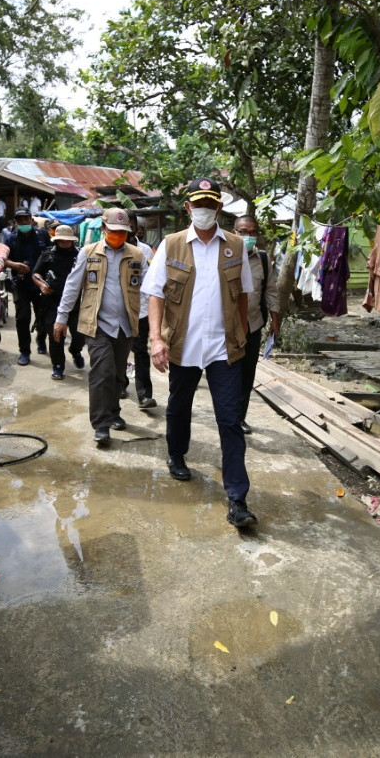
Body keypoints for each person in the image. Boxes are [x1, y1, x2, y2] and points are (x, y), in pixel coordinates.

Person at [142, 177, 257, 528]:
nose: (204, 210)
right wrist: (156, 340)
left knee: (230, 420)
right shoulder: (171, 244)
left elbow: (242, 296)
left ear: (219, 208)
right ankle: (176, 454)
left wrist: (240, 337)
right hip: (183, 345)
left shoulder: (235, 246)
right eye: (198, 204)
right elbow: (156, 294)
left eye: (211, 204)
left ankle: (237, 500)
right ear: (188, 208)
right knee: (179, 406)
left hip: (224, 349)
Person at [54, 208, 144, 447]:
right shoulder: (88, 252)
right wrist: (61, 318)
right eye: (114, 231)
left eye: (123, 232)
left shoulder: (137, 255)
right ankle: (101, 425)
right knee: (102, 372)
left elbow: (146, 289)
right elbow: (73, 286)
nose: (118, 236)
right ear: (104, 229)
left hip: (125, 325)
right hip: (97, 324)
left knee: (117, 374)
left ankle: (114, 412)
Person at [234, 214, 281, 434]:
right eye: (243, 231)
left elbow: (271, 290)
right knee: (226, 373)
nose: (248, 236)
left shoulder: (262, 259)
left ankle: (239, 418)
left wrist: (275, 320)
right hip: (227, 327)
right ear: (235, 233)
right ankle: (226, 416)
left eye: (252, 232)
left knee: (246, 374)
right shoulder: (224, 256)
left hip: (253, 324)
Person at [31, 225, 86, 380]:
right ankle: (58, 366)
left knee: (80, 335)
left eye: (68, 241)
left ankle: (75, 351)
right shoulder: (47, 255)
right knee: (56, 336)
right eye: (61, 241)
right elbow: (35, 273)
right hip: (53, 302)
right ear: (56, 240)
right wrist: (42, 285)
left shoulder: (81, 255)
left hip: (76, 303)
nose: (65, 243)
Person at [6, 206, 48, 364]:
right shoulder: (11, 239)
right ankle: (24, 351)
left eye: (26, 219)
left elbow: (52, 253)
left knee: (42, 315)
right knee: (22, 318)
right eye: (20, 220)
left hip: (41, 284)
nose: (23, 222)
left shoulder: (42, 235)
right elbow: (3, 259)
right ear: (16, 222)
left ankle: (41, 340)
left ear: (31, 219)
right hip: (21, 284)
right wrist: (15, 265)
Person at [125, 211, 157, 409]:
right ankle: (120, 383)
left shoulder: (146, 251)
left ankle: (144, 395)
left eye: (129, 226)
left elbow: (152, 282)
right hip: (117, 310)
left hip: (141, 310)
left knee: (140, 351)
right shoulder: (109, 247)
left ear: (136, 228)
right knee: (119, 350)